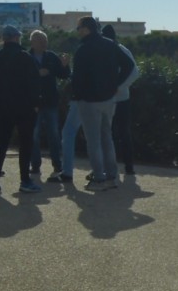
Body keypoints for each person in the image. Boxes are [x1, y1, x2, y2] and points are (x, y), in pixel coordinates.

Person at [70, 16, 134, 191]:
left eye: (79, 28)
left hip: (88, 100)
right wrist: (116, 85)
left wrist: (76, 95)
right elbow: (129, 65)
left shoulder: (83, 49)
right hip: (108, 99)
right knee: (107, 137)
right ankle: (111, 175)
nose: (78, 31)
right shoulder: (110, 44)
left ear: (85, 29)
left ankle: (99, 178)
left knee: (93, 140)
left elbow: (77, 78)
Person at [0, 25, 41, 194]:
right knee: (25, 144)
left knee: (1, 143)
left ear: (3, 38)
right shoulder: (25, 57)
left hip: (3, 106)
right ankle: (25, 180)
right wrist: (36, 103)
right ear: (17, 38)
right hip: (25, 107)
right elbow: (34, 84)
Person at [28, 30, 70, 179]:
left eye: (45, 40)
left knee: (54, 134)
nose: (44, 43)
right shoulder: (26, 57)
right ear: (33, 42)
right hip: (33, 103)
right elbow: (20, 78)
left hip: (50, 102)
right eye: (41, 41)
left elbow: (64, 75)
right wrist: (37, 74)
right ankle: (35, 165)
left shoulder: (51, 56)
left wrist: (65, 66)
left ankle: (57, 164)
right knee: (34, 135)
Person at [101, 24, 139, 175]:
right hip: (108, 99)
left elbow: (134, 72)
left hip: (120, 98)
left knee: (122, 133)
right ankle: (111, 166)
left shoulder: (121, 50)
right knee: (111, 133)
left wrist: (119, 86)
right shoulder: (114, 50)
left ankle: (128, 166)